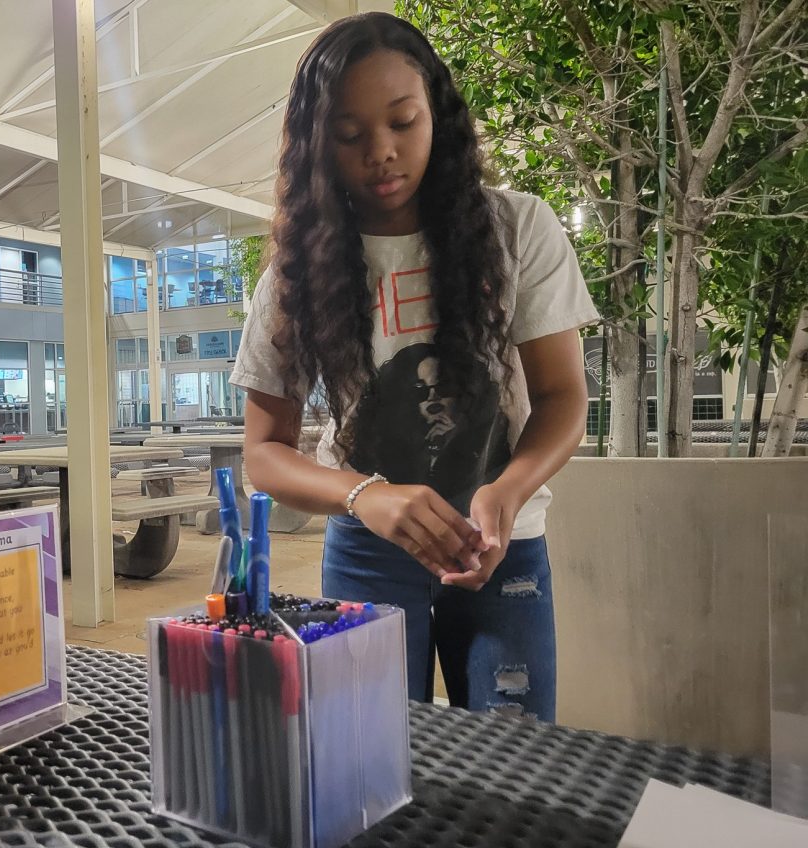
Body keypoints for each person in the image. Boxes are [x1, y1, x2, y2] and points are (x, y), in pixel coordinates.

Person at [231, 13, 598, 722]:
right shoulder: (297, 271)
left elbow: (561, 397)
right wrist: (365, 493)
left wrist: (507, 490)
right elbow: (264, 453)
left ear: (438, 112)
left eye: (403, 121)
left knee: (513, 761)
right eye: (349, 134)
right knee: (363, 763)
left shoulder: (518, 230)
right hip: (367, 555)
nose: (382, 153)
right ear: (317, 144)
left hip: (502, 551)